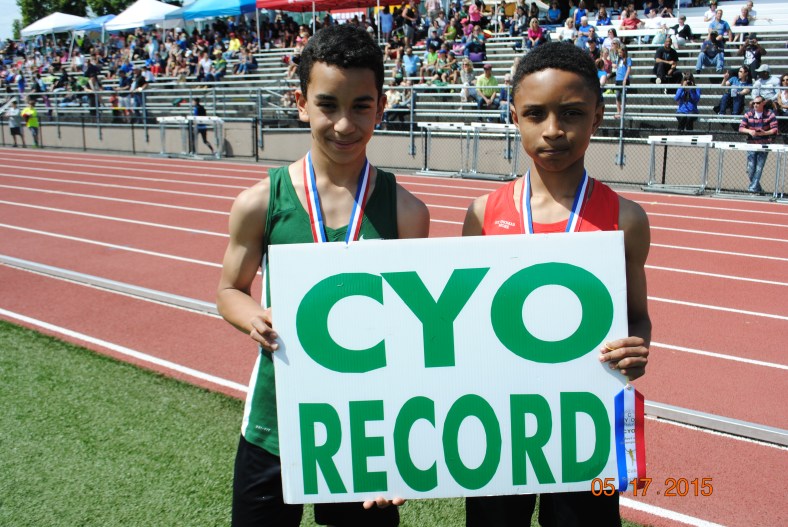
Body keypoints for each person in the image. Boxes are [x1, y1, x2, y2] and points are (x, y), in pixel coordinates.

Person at [216, 24, 430, 527]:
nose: (344, 123)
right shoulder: (259, 202)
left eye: (361, 106)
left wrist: (401, 447)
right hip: (275, 424)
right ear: (302, 102)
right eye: (328, 104)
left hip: (367, 432)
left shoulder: (406, 213)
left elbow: (414, 332)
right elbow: (229, 289)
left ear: (381, 106)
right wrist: (255, 318)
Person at [461, 41, 651, 527]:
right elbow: (465, 321)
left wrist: (637, 347)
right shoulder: (484, 213)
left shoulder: (625, 218)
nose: (553, 131)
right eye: (535, 114)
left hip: (582, 428)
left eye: (571, 113)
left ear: (598, 116)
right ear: (514, 116)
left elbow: (637, 314)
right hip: (498, 424)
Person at [739, 96, 778, 194]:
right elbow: (741, 128)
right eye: (754, 103)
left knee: (759, 167)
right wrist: (750, 131)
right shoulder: (748, 114)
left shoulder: (770, 114)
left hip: (764, 144)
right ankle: (758, 188)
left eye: (758, 103)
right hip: (751, 144)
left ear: (763, 103)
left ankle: (752, 189)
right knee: (750, 168)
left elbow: (775, 129)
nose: (755, 105)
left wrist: (764, 133)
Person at [614, 45, 632, 118]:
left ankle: (622, 111)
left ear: (624, 52)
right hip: (618, 79)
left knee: (623, 96)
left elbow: (628, 69)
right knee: (617, 95)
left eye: (621, 52)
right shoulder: (618, 59)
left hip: (623, 79)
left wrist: (625, 78)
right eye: (618, 52)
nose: (619, 54)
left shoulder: (628, 59)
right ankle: (618, 111)